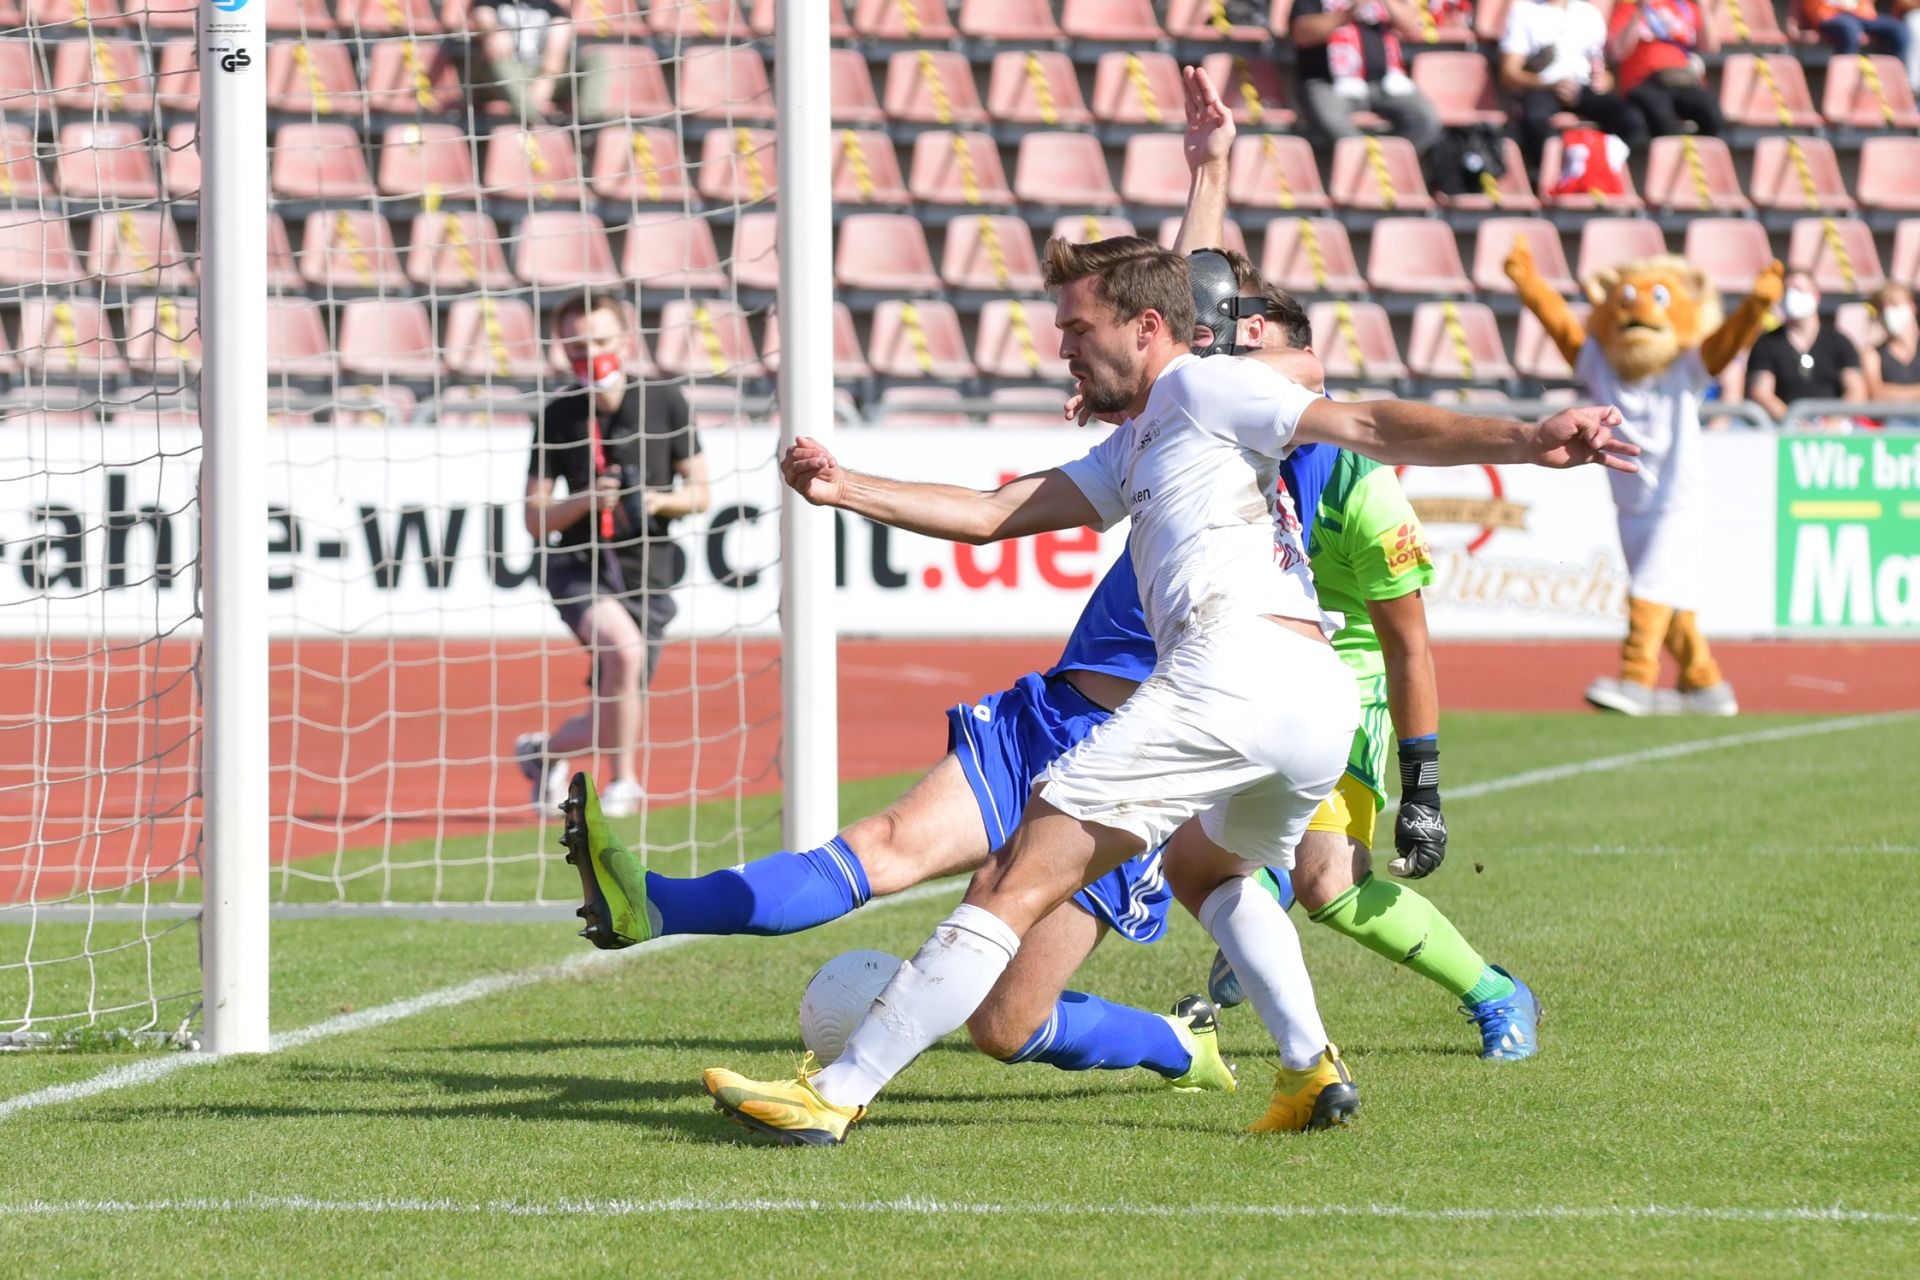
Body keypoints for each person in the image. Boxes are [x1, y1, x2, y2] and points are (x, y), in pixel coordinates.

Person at [693, 233, 1632, 1145]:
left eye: (1077, 327)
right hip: (1311, 697)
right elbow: (991, 514)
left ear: (1147, 327)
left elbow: (1367, 424)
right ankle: (1308, 1068)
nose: (1062, 346)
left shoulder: (1201, 385)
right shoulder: (1142, 437)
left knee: (1017, 879)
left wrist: (1528, 438)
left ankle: (836, 1094)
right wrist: (844, 487)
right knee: (1204, 869)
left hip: (1230, 675)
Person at [1167, 76, 1541, 1058]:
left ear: (1308, 371)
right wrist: (1210, 170)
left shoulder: (1360, 492)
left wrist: (1424, 784)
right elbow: (1188, 314)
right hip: (1242, 662)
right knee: (1189, 845)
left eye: (1262, 356)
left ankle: (1494, 990)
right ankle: (1247, 930)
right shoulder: (1220, 444)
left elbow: (1406, 645)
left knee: (1329, 882)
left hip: (1346, 682)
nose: (1239, 371)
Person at [517, 291, 706, 819]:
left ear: (625, 342)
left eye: (600, 340)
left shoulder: (665, 401)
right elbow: (534, 517)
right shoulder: (557, 415)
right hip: (579, 567)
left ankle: (543, 753)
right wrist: (584, 500)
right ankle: (624, 781)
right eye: (576, 345)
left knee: (617, 702)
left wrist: (657, 500)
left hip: (649, 569)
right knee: (624, 652)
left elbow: (700, 493)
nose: (590, 353)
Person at [1500, 0, 1651, 169]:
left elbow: (1606, 74)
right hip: (1541, 87)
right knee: (1535, 119)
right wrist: (1550, 85)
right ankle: (1548, 177)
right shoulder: (1524, 11)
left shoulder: (1589, 14)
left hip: (1583, 89)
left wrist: (1604, 80)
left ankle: (1604, 171)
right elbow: (1509, 73)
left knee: (1629, 117)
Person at [1288, 0, 1444, 154]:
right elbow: (1301, 33)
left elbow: (1411, 26)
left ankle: (1387, 165)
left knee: (1426, 119)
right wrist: (1349, 12)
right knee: (1340, 130)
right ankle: (1367, 164)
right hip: (1327, 83)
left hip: (1386, 82)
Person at [1744, 269, 1866, 427]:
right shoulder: (1766, 344)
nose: (1792, 296)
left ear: (1816, 296)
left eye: (1799, 289)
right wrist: (1796, 423)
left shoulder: (1839, 341)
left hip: (1835, 426)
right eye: (1787, 291)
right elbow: (1761, 393)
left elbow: (1856, 391)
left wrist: (1832, 424)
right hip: (1783, 425)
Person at [1607, 0, 1724, 138]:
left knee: (1711, 113)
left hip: (1679, 79)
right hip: (1643, 81)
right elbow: (1618, 52)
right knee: (1661, 117)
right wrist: (1639, 11)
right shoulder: (1627, 9)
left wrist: (1702, 6)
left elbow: (1711, 47)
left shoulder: (1683, 8)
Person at [457, 0, 574, 124]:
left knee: (589, 60)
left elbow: (559, 40)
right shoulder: (492, 2)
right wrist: (494, 30)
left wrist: (547, 77)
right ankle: (535, 120)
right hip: (504, 70)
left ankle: (586, 123)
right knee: (496, 54)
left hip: (539, 72)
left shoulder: (552, 8)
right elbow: (483, 15)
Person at [1860, 282, 1920, 427]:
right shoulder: (1872, 353)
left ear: (1911, 307)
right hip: (1892, 426)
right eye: (1882, 308)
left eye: (1894, 304)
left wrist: (1892, 393)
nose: (1888, 312)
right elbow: (1876, 394)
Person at [1793, 0, 1912, 70]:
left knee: (1899, 30)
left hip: (1861, 14)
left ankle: (1894, 83)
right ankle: (1844, 82)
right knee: (1850, 29)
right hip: (1830, 15)